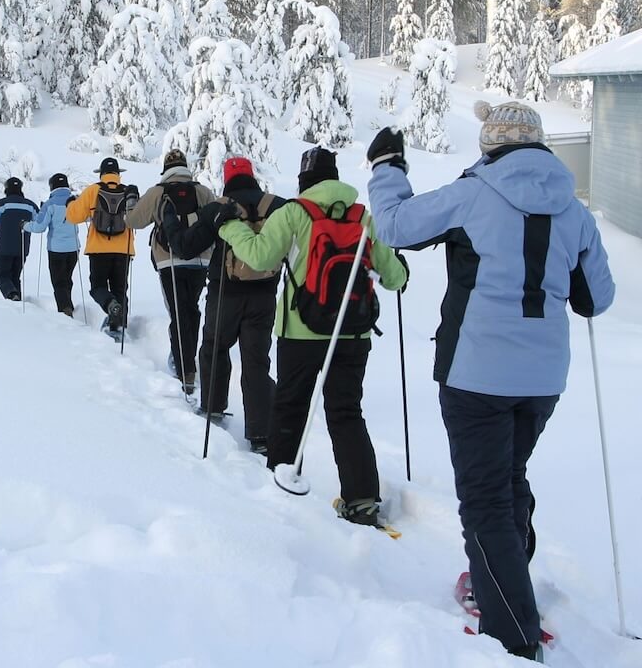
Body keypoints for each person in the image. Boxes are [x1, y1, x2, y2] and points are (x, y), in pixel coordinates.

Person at [365, 101, 615, 661]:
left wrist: (386, 167)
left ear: (491, 145)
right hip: (543, 377)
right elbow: (597, 299)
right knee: (508, 479)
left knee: (484, 500)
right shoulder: (573, 210)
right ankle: (498, 582)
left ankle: (513, 634)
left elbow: (395, 225)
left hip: (476, 372)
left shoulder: (475, 191)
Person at [217, 147, 407, 525]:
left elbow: (259, 256)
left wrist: (228, 226)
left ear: (304, 181)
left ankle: (281, 483)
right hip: (352, 334)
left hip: (301, 331)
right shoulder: (362, 217)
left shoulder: (294, 212)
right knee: (347, 412)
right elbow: (395, 277)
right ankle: (362, 499)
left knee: (290, 405)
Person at [166, 157, 284, 453]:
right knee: (256, 360)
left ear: (226, 178)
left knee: (214, 348)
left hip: (225, 293)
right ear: (252, 176)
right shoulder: (276, 206)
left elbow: (186, 246)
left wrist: (169, 221)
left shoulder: (219, 209)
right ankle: (260, 434)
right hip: (265, 296)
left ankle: (213, 408)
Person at [126, 148, 215, 392]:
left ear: (166, 169)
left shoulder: (158, 192)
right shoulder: (202, 191)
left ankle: (183, 367)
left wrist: (131, 202)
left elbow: (133, 222)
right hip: (200, 261)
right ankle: (189, 363)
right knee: (191, 309)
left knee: (178, 313)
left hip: (169, 261)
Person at [65, 157, 138, 340]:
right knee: (120, 288)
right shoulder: (128, 192)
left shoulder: (92, 191)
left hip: (98, 249)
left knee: (97, 286)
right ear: (118, 174)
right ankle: (119, 325)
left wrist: (69, 204)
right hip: (123, 250)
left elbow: (74, 216)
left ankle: (110, 305)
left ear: (102, 173)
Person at [25, 173, 81, 316]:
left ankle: (65, 310)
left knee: (58, 281)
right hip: (74, 249)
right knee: (67, 279)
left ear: (52, 187)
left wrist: (25, 225)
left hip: (56, 249)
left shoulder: (50, 204)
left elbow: (39, 227)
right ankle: (68, 305)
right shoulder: (76, 201)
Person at [0, 177, 39, 301]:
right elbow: (39, 222)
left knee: (2, 277)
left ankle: (12, 296)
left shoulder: (1, 204)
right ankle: (16, 301)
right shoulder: (30, 205)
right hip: (23, 248)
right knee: (15, 277)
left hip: (4, 248)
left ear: (6, 189)